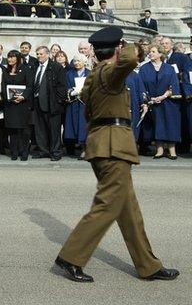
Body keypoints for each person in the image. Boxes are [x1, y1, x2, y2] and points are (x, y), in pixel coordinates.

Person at [55, 26, 179, 283]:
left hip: (103, 144)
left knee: (129, 211)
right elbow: (132, 59)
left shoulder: (92, 77)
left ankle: (148, 265)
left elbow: (91, 113)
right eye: (119, 47)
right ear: (115, 50)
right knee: (107, 205)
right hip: (113, 146)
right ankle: (71, 256)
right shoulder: (109, 73)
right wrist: (126, 44)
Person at [139, 45, 181, 159]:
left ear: (160, 54)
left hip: (168, 102)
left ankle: (172, 150)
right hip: (152, 102)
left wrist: (163, 96)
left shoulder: (169, 68)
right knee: (157, 125)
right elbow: (141, 86)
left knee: (171, 124)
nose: (150, 53)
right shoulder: (144, 69)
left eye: (153, 51)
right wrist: (149, 99)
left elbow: (174, 85)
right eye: (150, 51)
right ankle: (159, 150)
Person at [30, 46, 67, 161]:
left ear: (47, 54)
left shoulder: (56, 67)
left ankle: (56, 152)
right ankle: (43, 150)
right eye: (37, 54)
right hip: (37, 103)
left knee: (54, 130)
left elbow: (62, 86)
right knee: (40, 129)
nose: (38, 56)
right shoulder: (35, 66)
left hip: (52, 104)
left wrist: (58, 101)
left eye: (41, 54)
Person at [1, 51, 32, 161]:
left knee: (23, 130)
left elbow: (29, 86)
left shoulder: (26, 70)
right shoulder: (5, 71)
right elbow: (3, 87)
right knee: (12, 130)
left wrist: (23, 97)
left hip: (22, 105)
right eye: (9, 57)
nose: (10, 59)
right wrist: (8, 97)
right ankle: (14, 152)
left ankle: (24, 152)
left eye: (12, 57)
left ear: (18, 58)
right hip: (10, 105)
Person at [64, 55, 91, 158]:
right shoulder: (69, 74)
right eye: (75, 61)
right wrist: (71, 92)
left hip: (85, 104)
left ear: (84, 62)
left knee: (84, 126)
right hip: (74, 103)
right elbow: (66, 87)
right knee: (73, 126)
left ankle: (85, 149)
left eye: (79, 61)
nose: (76, 63)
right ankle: (73, 148)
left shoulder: (90, 73)